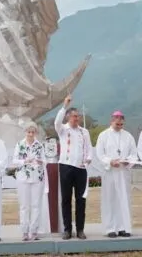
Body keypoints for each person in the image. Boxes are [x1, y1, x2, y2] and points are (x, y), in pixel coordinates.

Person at [53, 94, 92, 240]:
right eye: (74, 116)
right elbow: (57, 122)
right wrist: (64, 106)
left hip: (81, 169)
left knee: (81, 199)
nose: (77, 118)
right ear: (68, 117)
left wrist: (88, 159)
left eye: (78, 116)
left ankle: (80, 229)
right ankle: (67, 230)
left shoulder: (84, 132)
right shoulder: (62, 129)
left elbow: (89, 149)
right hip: (66, 167)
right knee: (66, 199)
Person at [96, 111, 137, 238]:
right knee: (110, 199)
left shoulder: (128, 136)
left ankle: (123, 227)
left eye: (121, 124)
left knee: (123, 199)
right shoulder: (103, 135)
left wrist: (128, 161)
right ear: (111, 121)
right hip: (110, 172)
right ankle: (110, 228)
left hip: (123, 172)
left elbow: (133, 154)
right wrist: (109, 161)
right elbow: (99, 154)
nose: (119, 126)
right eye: (117, 123)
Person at [12, 124, 47, 241]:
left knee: (36, 205)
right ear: (25, 132)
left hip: (37, 178)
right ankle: (24, 231)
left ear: (35, 133)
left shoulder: (40, 145)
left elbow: (45, 160)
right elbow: (14, 160)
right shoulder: (19, 144)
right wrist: (25, 161)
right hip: (23, 178)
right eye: (29, 132)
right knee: (24, 206)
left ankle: (34, 231)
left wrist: (40, 161)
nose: (31, 134)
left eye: (33, 132)